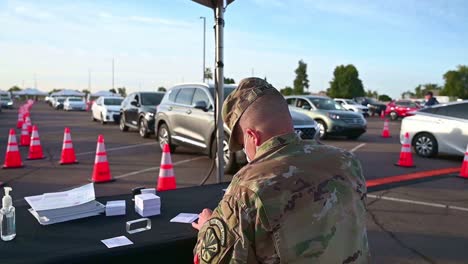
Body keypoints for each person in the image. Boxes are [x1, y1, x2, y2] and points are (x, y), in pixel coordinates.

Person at [192, 78, 370, 264]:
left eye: (243, 143)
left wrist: (207, 227)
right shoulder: (347, 161)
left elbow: (213, 260)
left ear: (252, 137)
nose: (245, 150)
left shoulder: (248, 186)